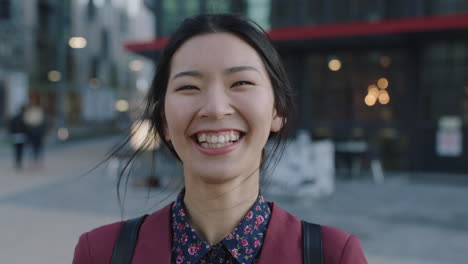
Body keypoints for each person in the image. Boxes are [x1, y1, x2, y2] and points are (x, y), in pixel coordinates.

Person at [73, 14, 367, 263]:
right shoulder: (101, 253)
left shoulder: (334, 256)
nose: (215, 108)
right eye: (189, 87)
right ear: (163, 120)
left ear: (278, 111)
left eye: (240, 83)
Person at [8, 106, 28, 170]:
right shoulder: (24, 118)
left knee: (16, 149)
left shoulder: (15, 118)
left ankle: (17, 162)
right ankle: (19, 162)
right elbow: (26, 127)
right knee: (20, 150)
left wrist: (12, 133)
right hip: (21, 135)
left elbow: (11, 126)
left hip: (15, 135)